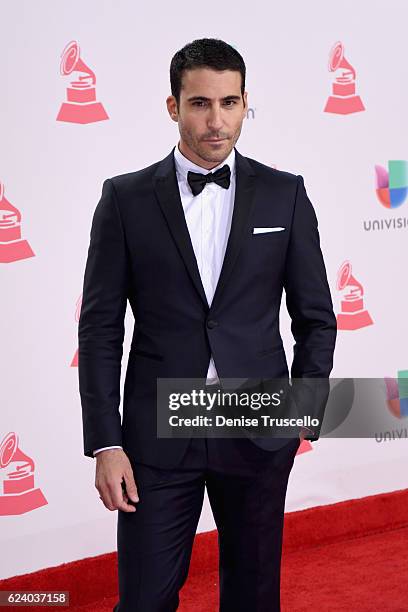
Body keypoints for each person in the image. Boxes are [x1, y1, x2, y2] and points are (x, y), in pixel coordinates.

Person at [78, 38, 337, 612]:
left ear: (246, 104)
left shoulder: (285, 194)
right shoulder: (124, 200)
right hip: (156, 433)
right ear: (173, 106)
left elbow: (316, 317)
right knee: (144, 599)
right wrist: (106, 442)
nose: (216, 121)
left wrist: (303, 409)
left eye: (229, 102)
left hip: (257, 425)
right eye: (199, 103)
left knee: (253, 596)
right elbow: (99, 329)